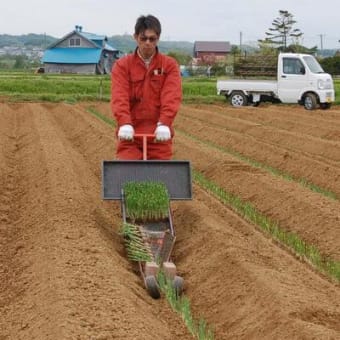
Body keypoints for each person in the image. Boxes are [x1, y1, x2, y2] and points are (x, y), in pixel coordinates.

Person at [111, 14, 182, 160]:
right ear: (135, 37)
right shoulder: (122, 65)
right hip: (130, 135)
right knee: (127, 176)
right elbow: (119, 96)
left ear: (158, 38)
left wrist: (165, 123)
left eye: (152, 39)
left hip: (158, 135)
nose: (148, 43)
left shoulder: (169, 65)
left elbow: (171, 96)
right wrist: (124, 122)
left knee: (160, 179)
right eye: (143, 38)